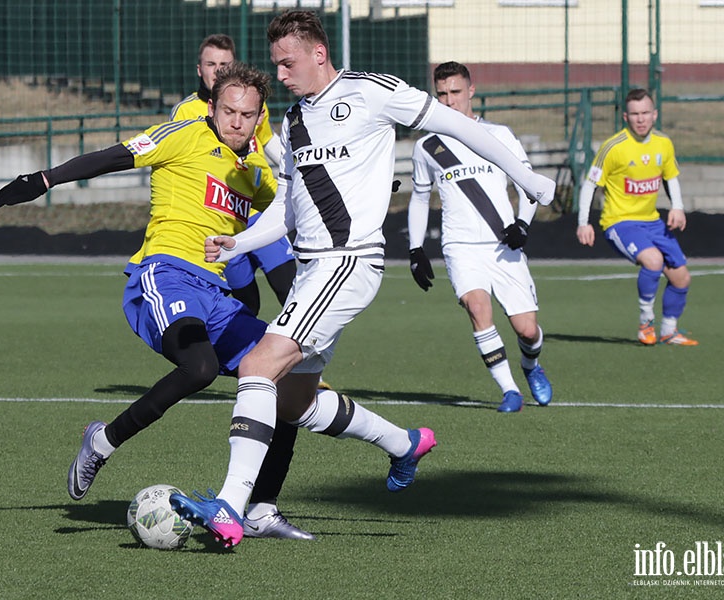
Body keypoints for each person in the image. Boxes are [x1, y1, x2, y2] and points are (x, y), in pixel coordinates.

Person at [169, 10, 557, 549]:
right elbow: (287, 206)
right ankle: (404, 444)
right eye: (277, 64)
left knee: (258, 365)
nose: (279, 75)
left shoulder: (371, 91)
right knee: (293, 401)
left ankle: (230, 507)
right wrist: (241, 242)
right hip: (312, 270)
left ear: (318, 53)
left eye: (287, 63)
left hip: (346, 262)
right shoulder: (295, 120)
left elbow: (457, 125)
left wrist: (527, 176)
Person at [0, 62, 314, 540]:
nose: (237, 122)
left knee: (284, 371)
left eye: (248, 115)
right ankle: (102, 442)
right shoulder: (184, 134)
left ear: (259, 116)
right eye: (228, 111)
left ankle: (261, 508)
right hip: (165, 275)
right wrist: (45, 179)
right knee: (200, 368)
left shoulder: (258, 172)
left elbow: (301, 199)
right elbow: (116, 155)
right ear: (212, 107)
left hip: (217, 294)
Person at [407, 61, 552, 414]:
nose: (449, 100)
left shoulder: (499, 135)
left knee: (527, 330)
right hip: (460, 246)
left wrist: (523, 224)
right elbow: (420, 197)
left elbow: (527, 184)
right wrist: (415, 247)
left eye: (455, 92)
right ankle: (510, 392)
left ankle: (531, 365)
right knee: (476, 306)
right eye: (441, 94)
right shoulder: (428, 147)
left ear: (471, 91)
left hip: (504, 245)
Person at [169, 33, 296, 321]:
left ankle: (305, 365)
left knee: (292, 292)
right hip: (223, 218)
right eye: (211, 64)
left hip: (262, 211)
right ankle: (245, 364)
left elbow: (271, 145)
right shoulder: (186, 112)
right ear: (199, 69)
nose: (218, 70)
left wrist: (303, 170)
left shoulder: (250, 102)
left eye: (225, 64)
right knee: (246, 306)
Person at [576, 88, 697, 346]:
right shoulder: (613, 147)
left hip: (652, 221)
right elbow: (590, 184)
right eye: (634, 114)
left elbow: (670, 176)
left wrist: (677, 206)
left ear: (654, 115)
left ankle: (669, 331)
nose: (640, 119)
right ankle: (646, 323)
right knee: (653, 261)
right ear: (625, 117)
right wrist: (583, 223)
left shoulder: (663, 143)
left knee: (681, 277)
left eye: (645, 113)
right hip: (620, 222)